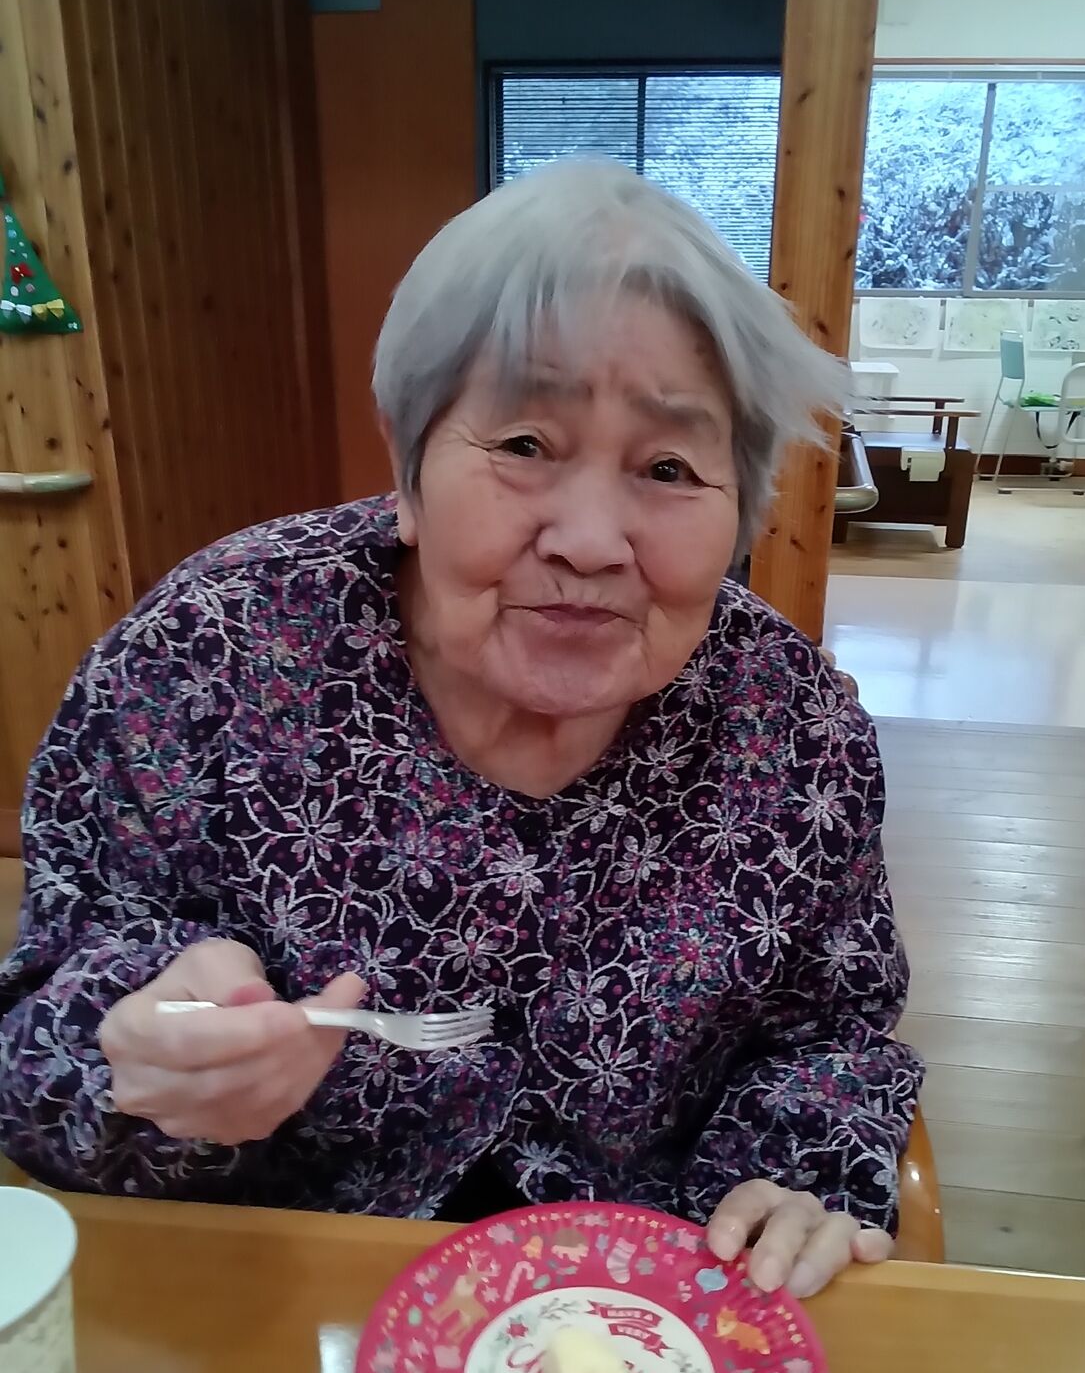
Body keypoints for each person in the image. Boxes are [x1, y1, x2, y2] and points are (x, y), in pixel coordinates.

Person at [0, 162, 921, 1299]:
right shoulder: (210, 653)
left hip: (643, 1324)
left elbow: (834, 1037)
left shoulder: (791, 725)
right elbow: (39, 1033)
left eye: (669, 467)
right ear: (408, 460)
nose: (590, 540)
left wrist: (788, 1183)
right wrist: (144, 1051)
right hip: (272, 1310)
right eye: (524, 444)